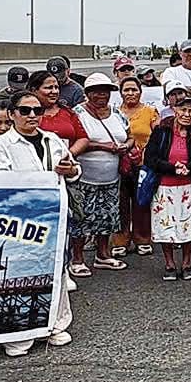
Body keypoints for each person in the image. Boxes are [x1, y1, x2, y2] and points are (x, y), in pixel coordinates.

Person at [0, 90, 78, 356]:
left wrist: (71, 170)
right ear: (12, 115)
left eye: (37, 110)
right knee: (18, 273)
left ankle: (55, 325)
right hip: (19, 221)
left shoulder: (52, 140)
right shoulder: (0, 146)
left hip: (53, 217)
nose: (32, 115)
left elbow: (73, 169)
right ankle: (18, 333)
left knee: (55, 270)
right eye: (25, 111)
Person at [143, 91, 191, 282]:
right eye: (183, 109)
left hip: (189, 186)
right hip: (164, 187)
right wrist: (172, 167)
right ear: (175, 110)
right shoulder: (162, 131)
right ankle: (169, 263)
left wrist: (189, 168)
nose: (187, 114)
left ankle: (187, 263)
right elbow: (150, 158)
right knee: (166, 226)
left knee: (188, 226)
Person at [68, 75, 131, 275]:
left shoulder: (117, 113)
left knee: (107, 216)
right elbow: (74, 142)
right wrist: (102, 146)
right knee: (80, 218)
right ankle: (77, 258)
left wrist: (125, 147)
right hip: (83, 177)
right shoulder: (77, 113)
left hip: (111, 177)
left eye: (105, 90)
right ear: (87, 93)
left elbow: (129, 137)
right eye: (96, 90)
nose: (101, 95)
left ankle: (103, 254)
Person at [116, 77, 160, 258]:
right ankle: (120, 240)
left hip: (143, 165)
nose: (130, 93)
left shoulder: (150, 112)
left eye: (134, 89)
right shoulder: (114, 113)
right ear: (120, 93)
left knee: (142, 202)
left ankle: (142, 239)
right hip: (119, 164)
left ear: (140, 92)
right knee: (121, 203)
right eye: (126, 90)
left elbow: (157, 137)